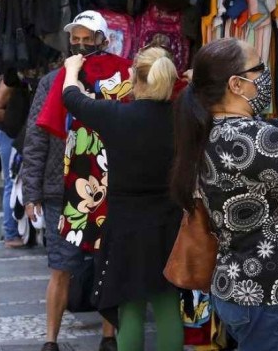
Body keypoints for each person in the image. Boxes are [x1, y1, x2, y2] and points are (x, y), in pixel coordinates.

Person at [169, 38, 278, 351]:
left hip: (260, 291)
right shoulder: (244, 139)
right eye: (259, 68)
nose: (265, 76)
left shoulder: (225, 130)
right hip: (274, 295)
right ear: (236, 84)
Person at [61, 47, 184, 351]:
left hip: (125, 226)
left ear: (134, 78)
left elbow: (71, 98)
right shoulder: (183, 117)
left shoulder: (116, 115)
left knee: (129, 306)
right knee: (168, 305)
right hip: (170, 223)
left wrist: (72, 69)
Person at [21, 11, 119, 351]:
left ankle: (109, 336)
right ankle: (51, 339)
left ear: (103, 41)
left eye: (87, 38)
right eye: (75, 38)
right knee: (61, 267)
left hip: (107, 187)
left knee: (108, 265)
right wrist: (30, 190)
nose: (80, 44)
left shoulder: (117, 79)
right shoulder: (52, 81)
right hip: (58, 189)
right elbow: (36, 138)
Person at [0, 71, 28, 249]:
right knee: (11, 183)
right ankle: (10, 233)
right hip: (8, 136)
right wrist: (17, 117)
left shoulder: (22, 81)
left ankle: (17, 231)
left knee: (17, 183)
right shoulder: (9, 81)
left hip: (16, 135)